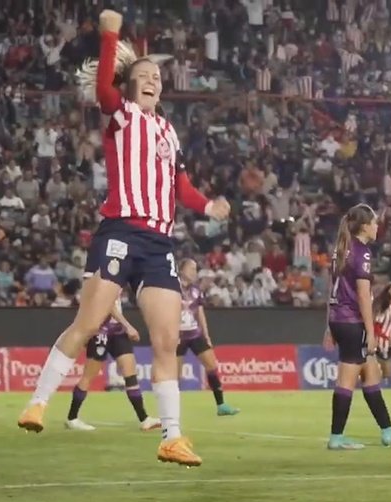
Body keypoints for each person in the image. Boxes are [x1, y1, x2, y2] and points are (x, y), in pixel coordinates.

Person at [16, 9, 230, 468]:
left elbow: (180, 187)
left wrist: (207, 205)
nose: (153, 80)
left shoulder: (168, 132)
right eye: (144, 75)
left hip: (158, 244)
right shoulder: (121, 114)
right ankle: (38, 401)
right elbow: (102, 91)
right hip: (120, 232)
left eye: (157, 76)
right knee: (89, 323)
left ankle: (172, 437)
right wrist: (110, 35)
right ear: (130, 85)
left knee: (167, 339)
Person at [323, 204, 391, 450]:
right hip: (353, 321)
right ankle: (336, 437)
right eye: (374, 222)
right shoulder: (361, 251)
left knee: (371, 373)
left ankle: (387, 430)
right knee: (347, 379)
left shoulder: (340, 250)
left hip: (339, 319)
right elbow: (364, 296)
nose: (377, 226)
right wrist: (371, 331)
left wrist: (329, 328)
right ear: (364, 226)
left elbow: (331, 290)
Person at [65, 297, 161, 432]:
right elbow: (107, 303)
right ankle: (72, 418)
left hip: (118, 331)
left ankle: (144, 419)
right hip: (100, 331)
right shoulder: (102, 278)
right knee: (88, 377)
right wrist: (128, 325)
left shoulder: (117, 279)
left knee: (130, 375)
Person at [176, 259, 239, 416]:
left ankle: (221, 405)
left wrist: (206, 334)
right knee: (175, 376)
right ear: (181, 270)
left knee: (211, 366)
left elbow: (200, 313)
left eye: (195, 269)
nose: (194, 273)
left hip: (194, 333)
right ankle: (172, 411)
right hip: (178, 336)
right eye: (191, 269)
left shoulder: (196, 290)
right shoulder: (173, 288)